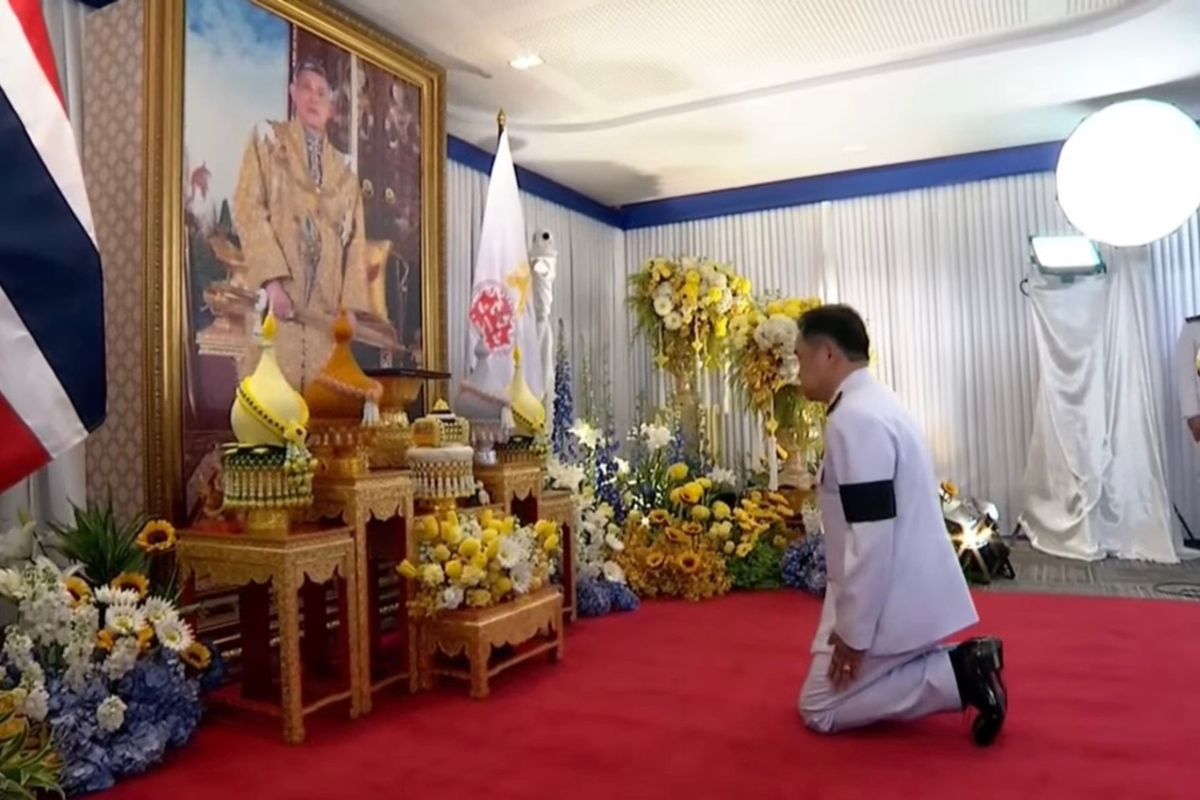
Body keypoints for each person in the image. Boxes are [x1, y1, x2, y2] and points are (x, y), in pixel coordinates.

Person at [793, 304, 1007, 746]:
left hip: (891, 599)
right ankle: (954, 665)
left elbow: (871, 535)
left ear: (827, 354)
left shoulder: (856, 418)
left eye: (799, 357)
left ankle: (960, 672)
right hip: (898, 588)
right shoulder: (872, 403)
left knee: (819, 706)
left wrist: (854, 633)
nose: (797, 372)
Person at [232, 59, 368, 389]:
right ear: (293, 93)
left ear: (331, 107)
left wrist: (350, 307)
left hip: (325, 320)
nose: (313, 98)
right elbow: (248, 207)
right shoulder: (268, 141)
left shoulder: (345, 171)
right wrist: (272, 283)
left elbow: (356, 242)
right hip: (277, 307)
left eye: (322, 93)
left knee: (321, 409)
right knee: (271, 404)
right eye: (306, 88)